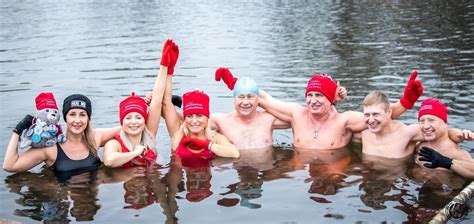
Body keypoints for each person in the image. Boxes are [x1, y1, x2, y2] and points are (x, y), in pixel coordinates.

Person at [217, 69, 421, 150]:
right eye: (310, 95)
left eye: (319, 96)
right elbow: (262, 99)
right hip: (301, 177)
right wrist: (235, 83)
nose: (313, 100)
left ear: (330, 99)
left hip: (335, 176)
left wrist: (407, 101)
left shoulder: (345, 120)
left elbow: (380, 115)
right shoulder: (297, 113)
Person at [102, 39, 178, 168]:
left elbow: (157, 100)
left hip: (151, 184)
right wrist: (135, 152)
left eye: (138, 117)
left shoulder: (149, 136)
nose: (134, 122)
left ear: (144, 120)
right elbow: (109, 161)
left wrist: (165, 66)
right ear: (122, 121)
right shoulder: (115, 143)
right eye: (128, 117)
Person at [4, 93, 120, 173]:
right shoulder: (51, 148)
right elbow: (10, 166)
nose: (77, 120)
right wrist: (17, 131)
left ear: (88, 118)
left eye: (82, 115)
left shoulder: (95, 137)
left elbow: (127, 128)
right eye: (72, 114)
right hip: (66, 200)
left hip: (90, 201)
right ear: (65, 118)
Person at [161, 59, 239, 161]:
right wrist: (168, 69)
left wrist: (207, 145)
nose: (194, 121)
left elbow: (235, 154)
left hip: (207, 175)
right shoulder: (178, 134)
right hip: (185, 175)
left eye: (199, 115)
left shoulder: (215, 138)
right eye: (189, 116)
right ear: (185, 118)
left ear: (207, 118)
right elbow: (165, 103)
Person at [211, 68, 290, 149]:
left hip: (267, 161)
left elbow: (295, 117)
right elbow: (198, 122)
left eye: (250, 97)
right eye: (241, 97)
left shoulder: (268, 119)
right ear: (234, 99)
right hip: (235, 161)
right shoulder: (220, 121)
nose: (245, 102)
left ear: (258, 100)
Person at [415, 98, 474, 178]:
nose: (425, 126)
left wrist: (447, 162)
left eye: (431, 120)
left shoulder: (456, 152)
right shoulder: (419, 144)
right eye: (422, 121)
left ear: (445, 123)